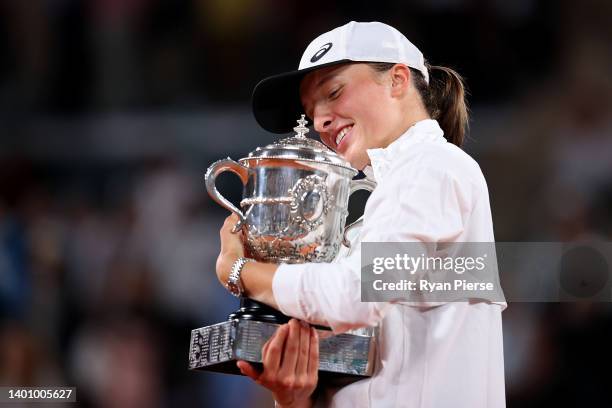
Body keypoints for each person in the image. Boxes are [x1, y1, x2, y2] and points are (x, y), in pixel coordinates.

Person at [215, 21, 506, 407]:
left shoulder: (436, 166)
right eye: (311, 111)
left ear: (398, 80)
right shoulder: (384, 205)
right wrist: (294, 396)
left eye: (334, 92)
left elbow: (354, 295)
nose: (319, 121)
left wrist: (239, 270)